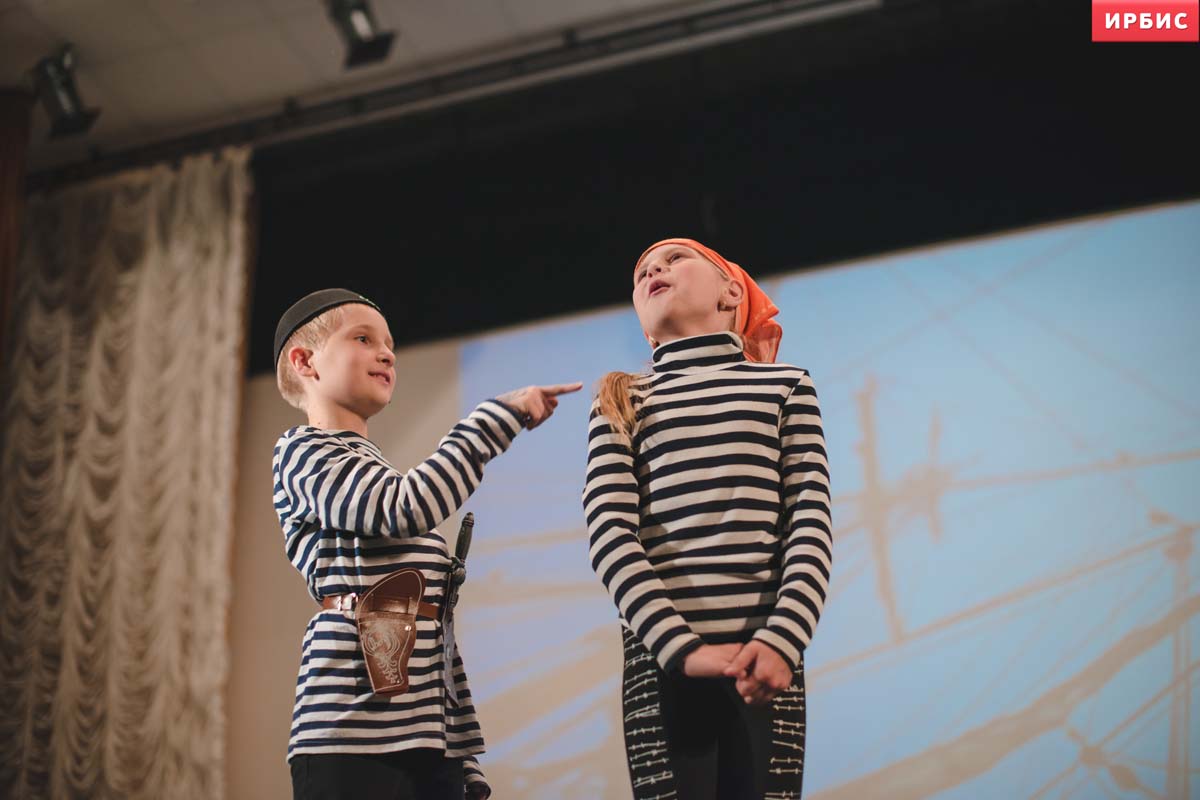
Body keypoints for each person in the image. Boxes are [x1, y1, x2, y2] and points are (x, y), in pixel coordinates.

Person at [272, 288, 581, 800]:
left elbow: (431, 630)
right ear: (305, 362)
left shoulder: (369, 469)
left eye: (389, 344)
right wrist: (493, 420)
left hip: (424, 743)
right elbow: (402, 507)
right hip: (351, 735)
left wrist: (459, 756)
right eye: (363, 339)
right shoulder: (302, 451)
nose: (386, 354)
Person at [583, 240, 832, 799]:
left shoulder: (784, 386)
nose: (654, 269)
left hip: (764, 662)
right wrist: (681, 647)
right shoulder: (621, 400)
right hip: (663, 663)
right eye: (642, 272)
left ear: (731, 291)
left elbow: (809, 523)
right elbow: (610, 534)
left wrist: (784, 639)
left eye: (675, 259)